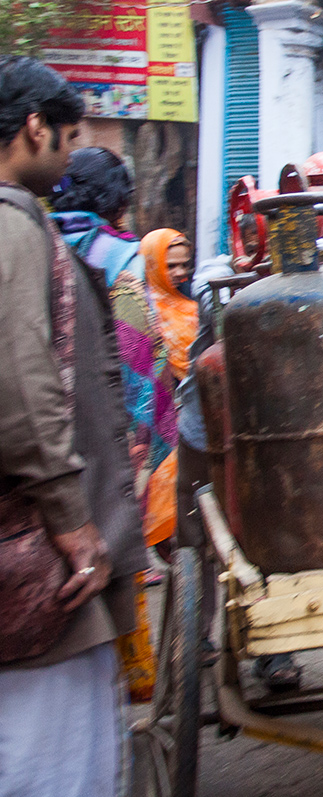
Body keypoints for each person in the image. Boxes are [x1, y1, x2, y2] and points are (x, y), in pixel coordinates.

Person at [0, 56, 145, 797]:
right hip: (38, 558)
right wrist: (72, 518)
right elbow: (21, 386)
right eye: (67, 134)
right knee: (50, 770)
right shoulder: (15, 228)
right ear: (34, 128)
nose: (66, 149)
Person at [51, 148, 179, 542]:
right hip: (104, 428)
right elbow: (140, 357)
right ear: (118, 200)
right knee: (111, 539)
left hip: (41, 426)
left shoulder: (34, 238)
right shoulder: (124, 258)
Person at [138, 228, 197, 549]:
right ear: (151, 265)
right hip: (157, 423)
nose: (179, 273)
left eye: (184, 265)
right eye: (170, 265)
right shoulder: (140, 314)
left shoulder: (191, 308)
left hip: (190, 418)